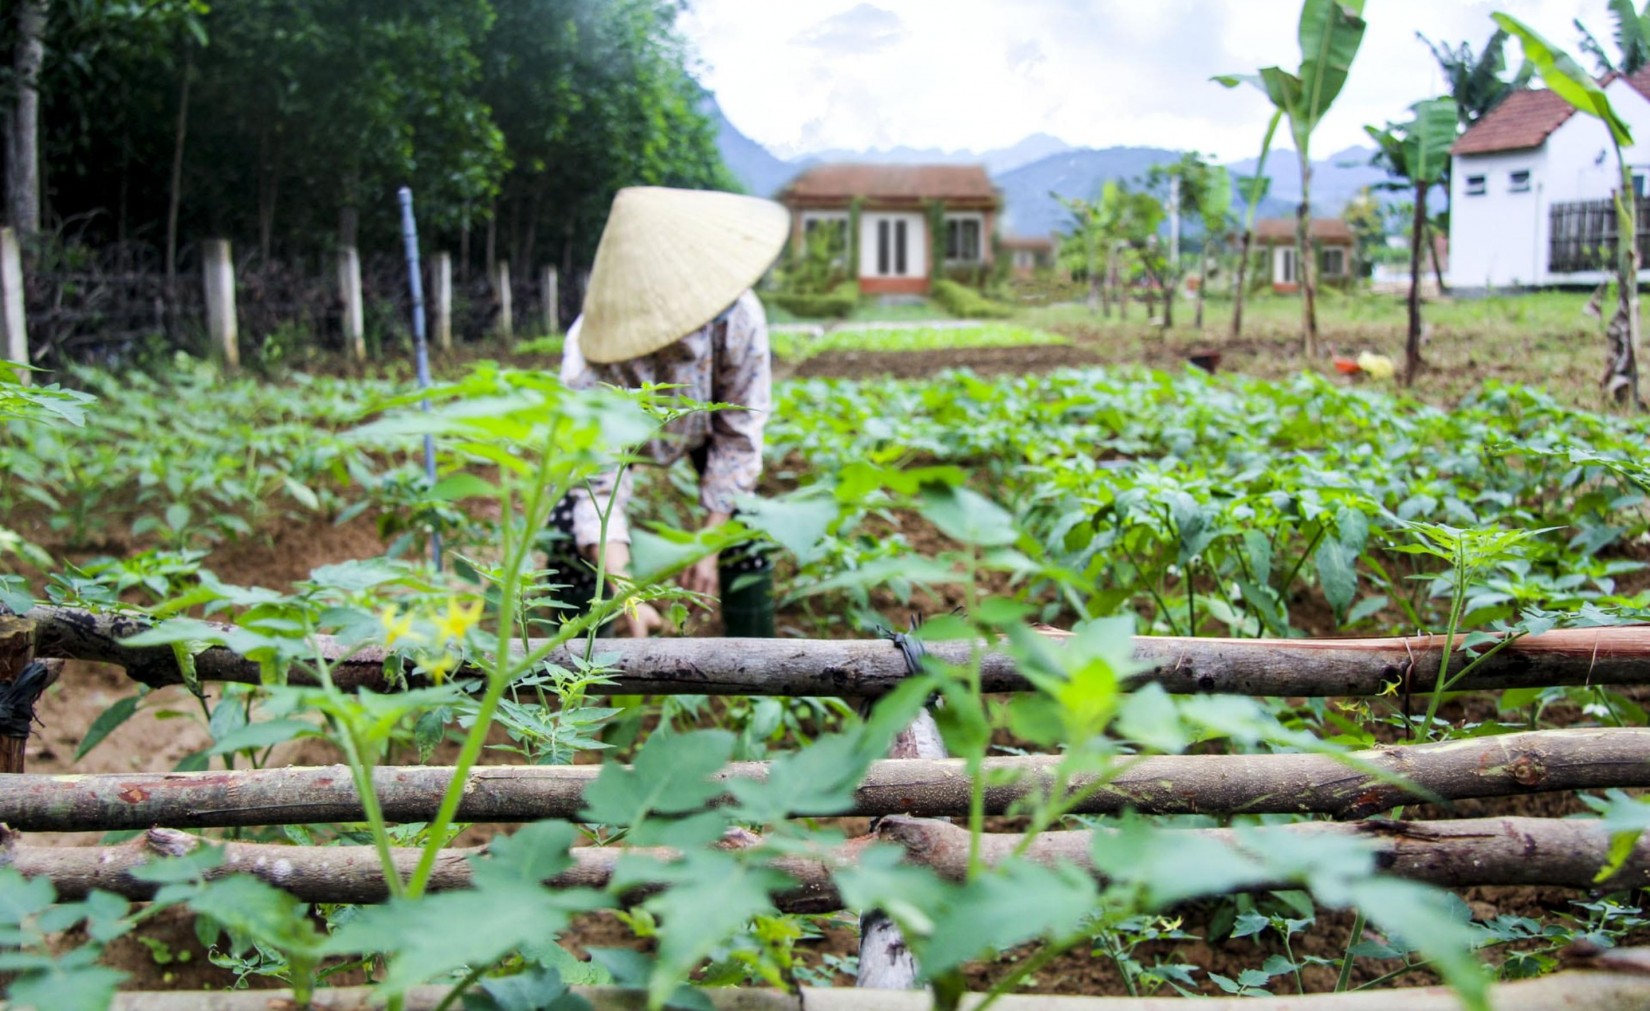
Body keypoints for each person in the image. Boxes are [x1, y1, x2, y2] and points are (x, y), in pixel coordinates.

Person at [543, 185, 789, 638]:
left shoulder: (738, 318)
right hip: (627, 447)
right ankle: (570, 670)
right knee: (564, 534)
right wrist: (627, 595)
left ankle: (757, 669)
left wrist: (709, 545)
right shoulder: (591, 357)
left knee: (746, 525)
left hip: (706, 431)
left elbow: (738, 439)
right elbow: (596, 486)